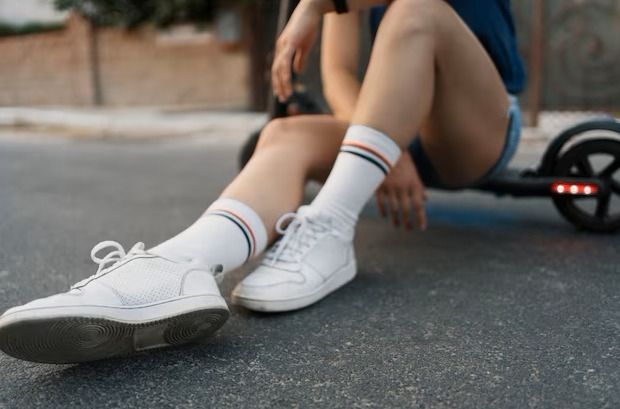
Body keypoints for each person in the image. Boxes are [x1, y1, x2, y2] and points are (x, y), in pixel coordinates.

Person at [0, 0, 525, 363]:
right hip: (394, 129)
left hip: (471, 128)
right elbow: (339, 75)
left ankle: (331, 225)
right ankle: (179, 265)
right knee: (283, 133)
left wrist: (314, 5)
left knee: (417, 11)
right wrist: (387, 145)